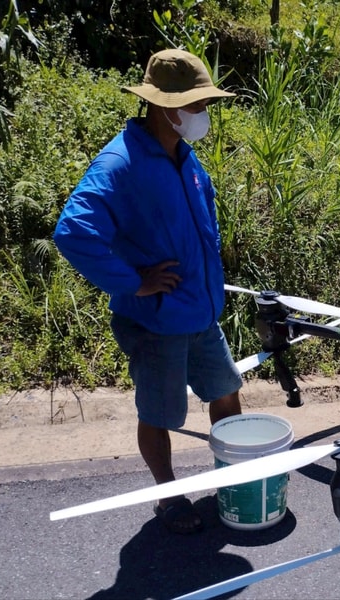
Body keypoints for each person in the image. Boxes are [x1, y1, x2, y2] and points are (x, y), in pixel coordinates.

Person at [54, 49, 243, 535]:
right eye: (197, 105)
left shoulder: (185, 157)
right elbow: (74, 232)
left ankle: (236, 476)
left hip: (200, 312)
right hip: (156, 319)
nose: (204, 114)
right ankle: (169, 497)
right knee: (159, 413)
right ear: (166, 106)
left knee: (226, 392)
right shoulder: (121, 163)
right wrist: (135, 282)